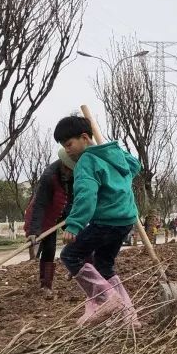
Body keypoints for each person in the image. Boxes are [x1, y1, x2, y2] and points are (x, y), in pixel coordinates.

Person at [54, 115, 142, 328]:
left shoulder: (87, 161)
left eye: (69, 144)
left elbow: (86, 195)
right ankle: (129, 316)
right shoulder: (113, 155)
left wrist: (74, 224)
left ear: (84, 137)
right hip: (125, 221)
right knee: (104, 264)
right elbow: (135, 165)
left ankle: (106, 299)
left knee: (71, 255)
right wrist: (115, 151)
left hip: (106, 221)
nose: (67, 151)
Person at [23, 149, 75, 299]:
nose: (69, 172)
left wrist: (74, 222)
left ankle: (77, 268)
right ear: (63, 165)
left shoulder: (76, 173)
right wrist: (34, 231)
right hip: (46, 215)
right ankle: (46, 285)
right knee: (49, 248)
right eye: (68, 169)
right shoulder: (49, 176)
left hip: (65, 211)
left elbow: (74, 197)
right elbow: (40, 204)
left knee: (81, 238)